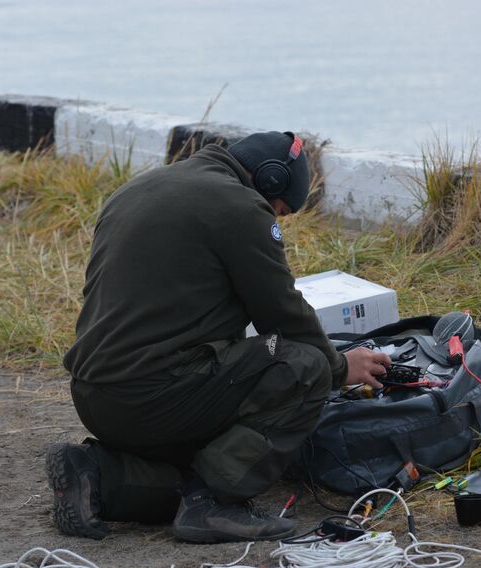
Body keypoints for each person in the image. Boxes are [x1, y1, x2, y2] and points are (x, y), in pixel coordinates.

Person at [47, 131, 391, 544]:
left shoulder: (136, 189)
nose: (274, 218)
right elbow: (282, 313)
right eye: (278, 210)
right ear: (271, 180)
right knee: (305, 367)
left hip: (96, 396)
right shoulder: (239, 206)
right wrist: (340, 367)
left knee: (203, 461)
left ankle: (95, 473)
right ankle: (212, 504)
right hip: (157, 397)